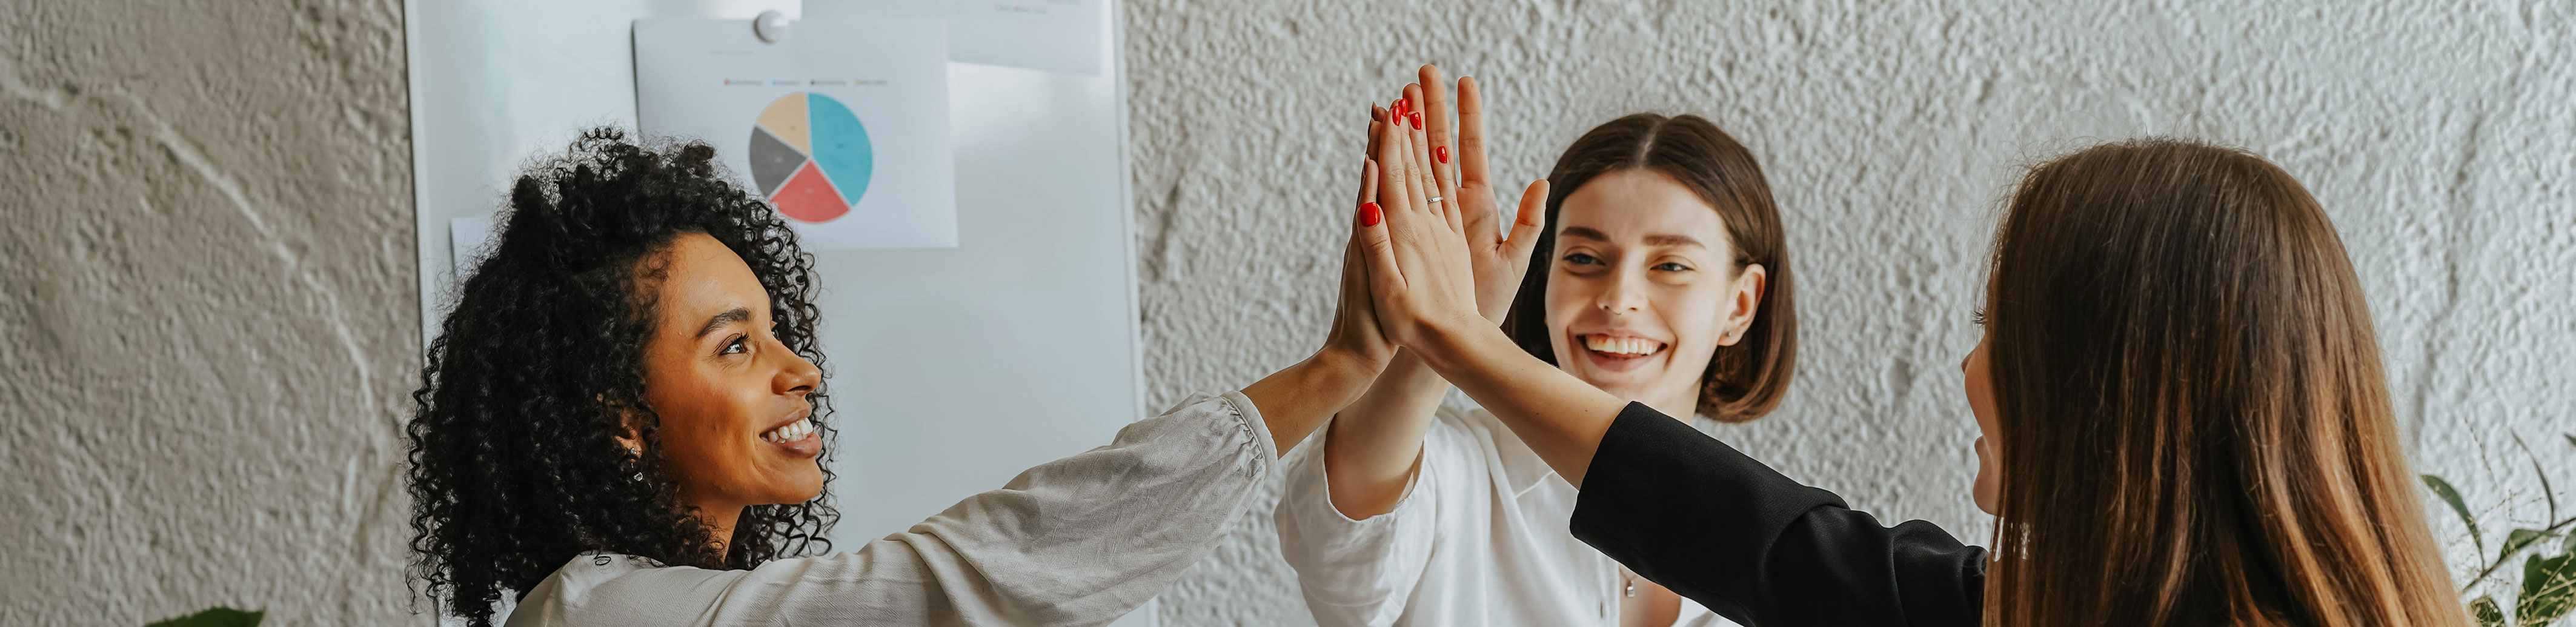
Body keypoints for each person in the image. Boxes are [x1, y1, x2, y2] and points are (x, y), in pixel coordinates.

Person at [1344, 116, 2468, 626]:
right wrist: (1453, 344)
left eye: (2002, 332)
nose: (1970, 365)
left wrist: (1461, 341)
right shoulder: (2017, 604)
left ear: (2117, 397)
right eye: (1584, 259)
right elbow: (1770, 544)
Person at [403, 128, 1398, 627]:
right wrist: (1336, 368)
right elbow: (968, 577)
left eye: (779, 332)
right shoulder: (597, 614)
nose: (803, 373)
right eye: (736, 346)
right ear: (618, 420)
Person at [1276, 65, 1788, 627]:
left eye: (1670, 265)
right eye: (1584, 259)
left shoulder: (1771, 544)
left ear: (1740, 305)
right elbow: (1337, 547)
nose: (1619, 299)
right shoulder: (1457, 474)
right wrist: (1442, 330)